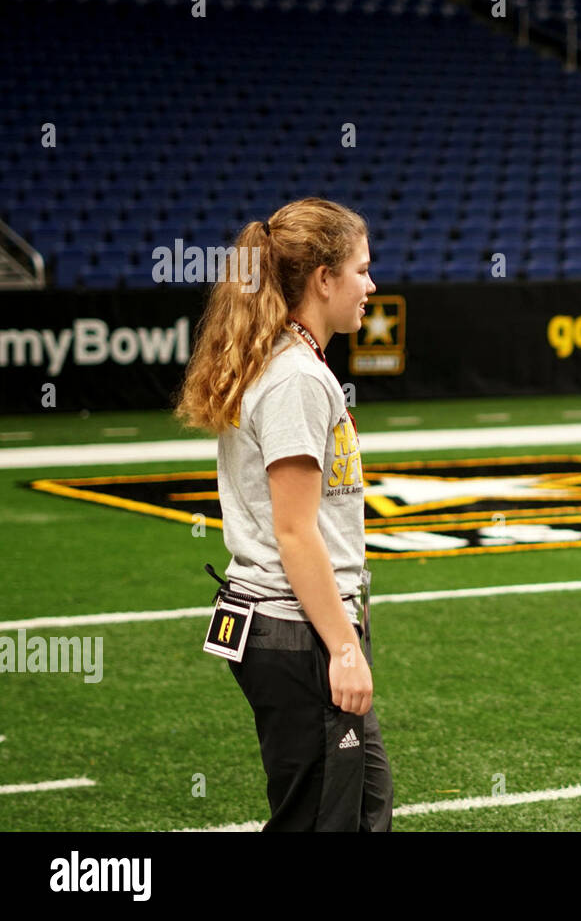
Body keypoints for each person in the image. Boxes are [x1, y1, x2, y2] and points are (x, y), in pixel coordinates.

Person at [176, 197, 391, 831]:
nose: (371, 286)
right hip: (298, 629)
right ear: (323, 279)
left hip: (288, 626)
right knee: (322, 819)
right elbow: (294, 533)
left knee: (362, 806)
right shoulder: (297, 376)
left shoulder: (284, 362)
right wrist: (345, 649)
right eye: (360, 269)